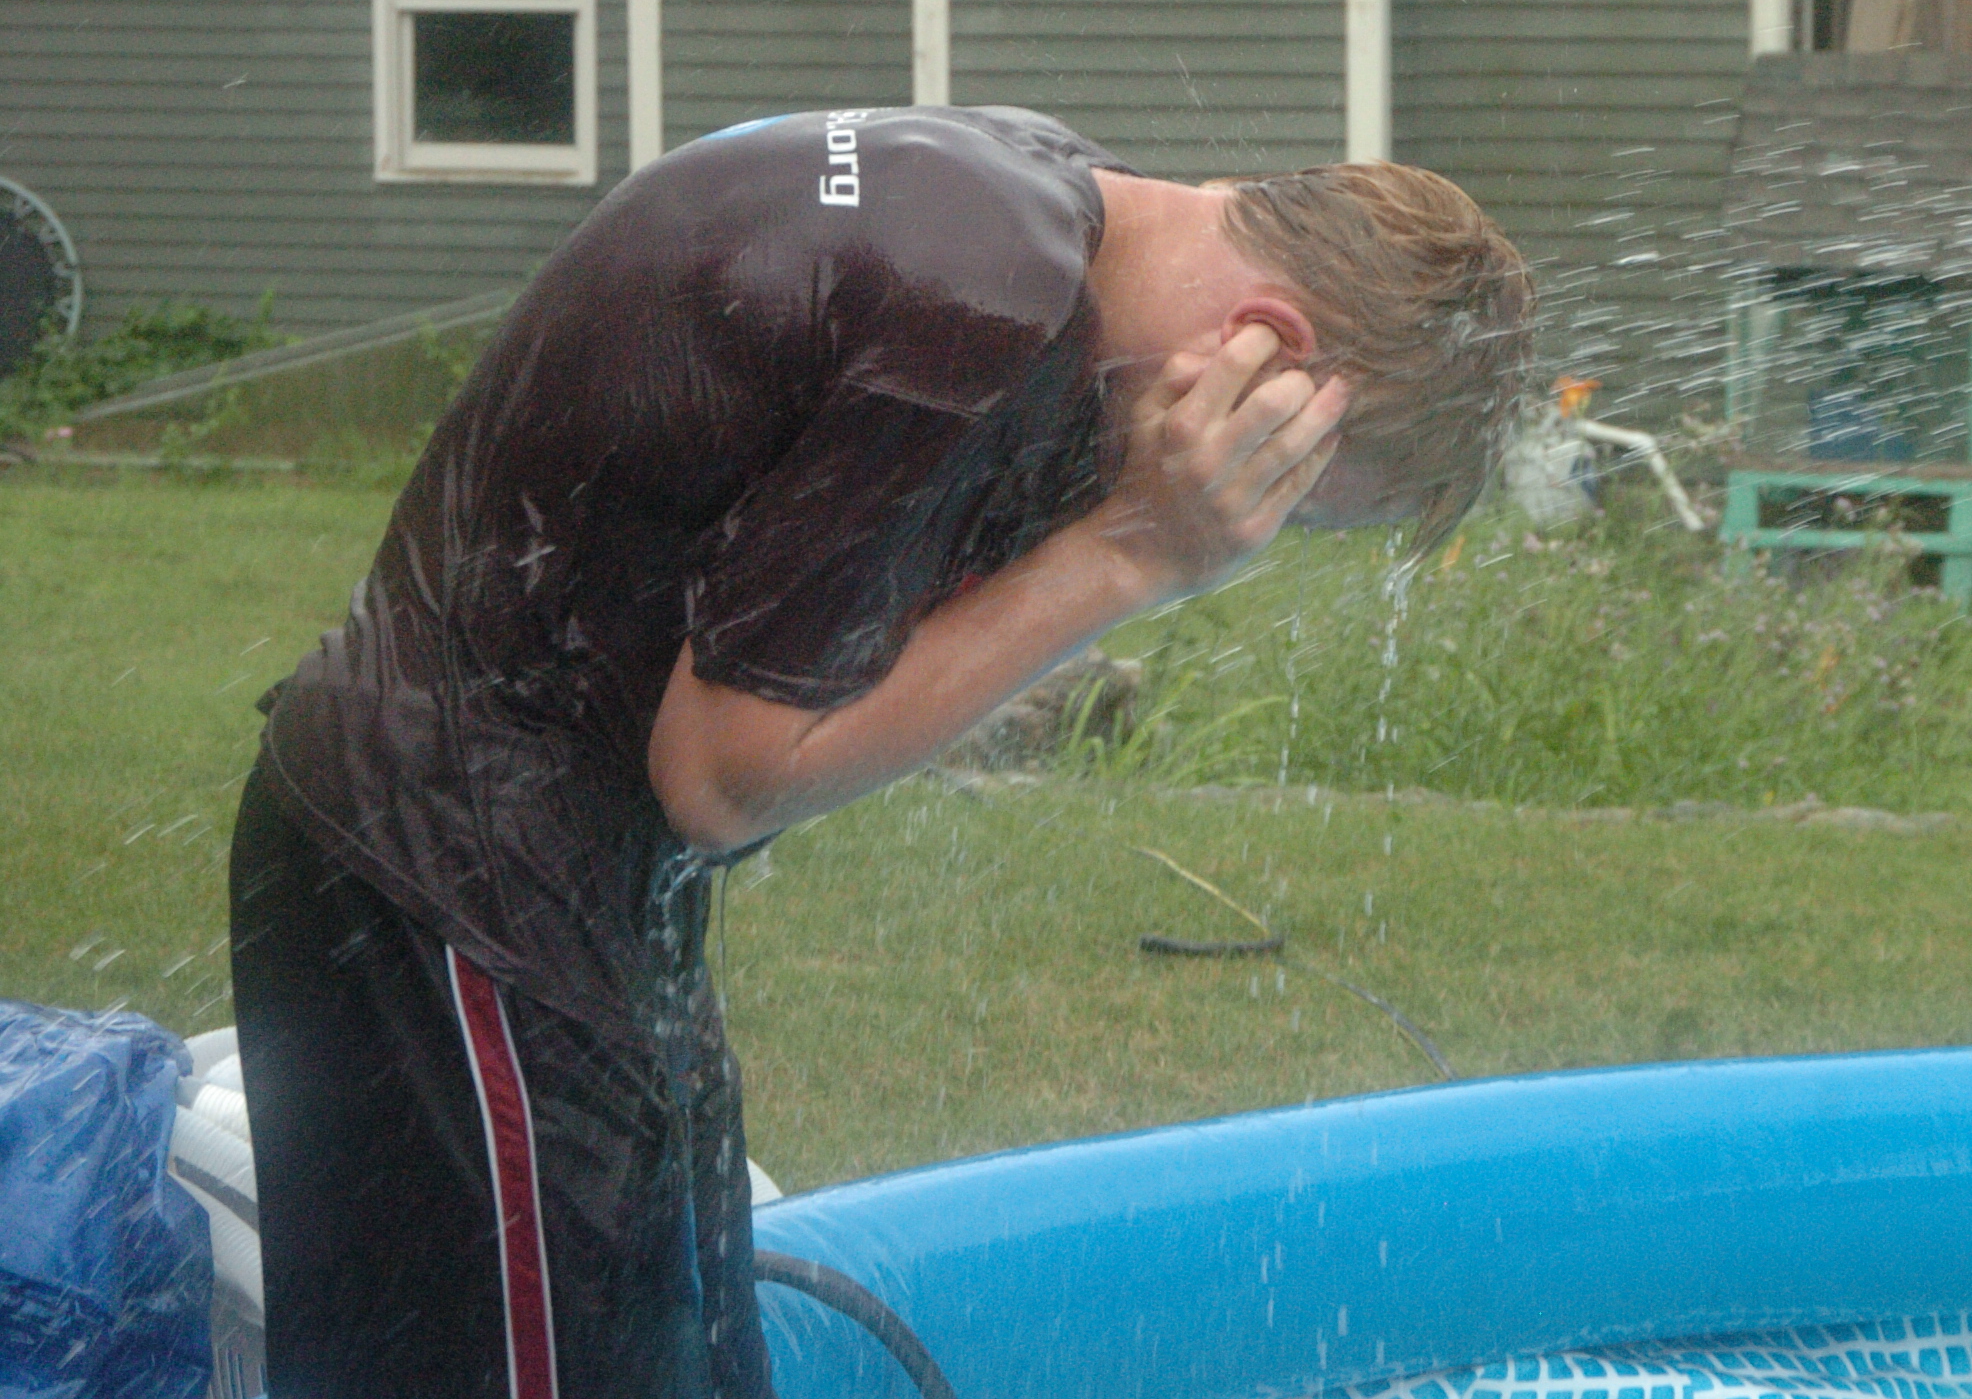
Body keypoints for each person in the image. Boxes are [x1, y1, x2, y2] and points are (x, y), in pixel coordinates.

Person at [227, 105, 1531, 1399]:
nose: (1261, 523)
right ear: (1268, 349)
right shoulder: (975, 311)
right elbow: (725, 774)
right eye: (1295, 499)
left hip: (514, 877)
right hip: (455, 883)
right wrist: (1138, 549)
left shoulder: (1042, 200)